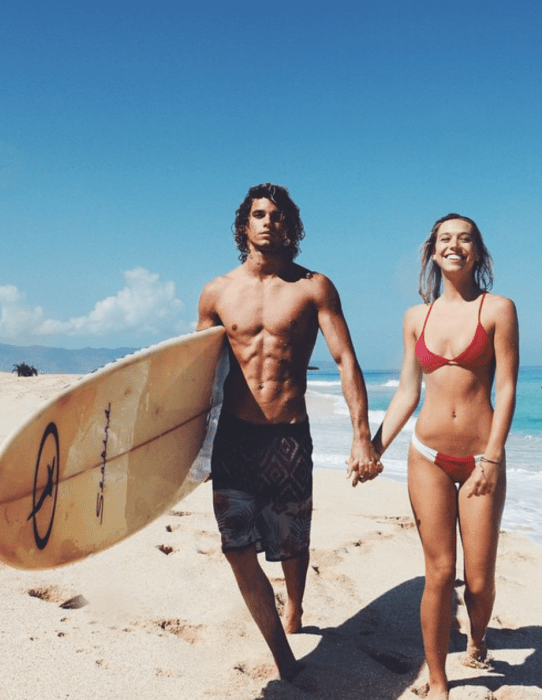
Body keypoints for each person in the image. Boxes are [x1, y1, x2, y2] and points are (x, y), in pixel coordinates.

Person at [197, 183, 383, 680]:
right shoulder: (216, 292)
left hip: (288, 438)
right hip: (234, 439)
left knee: (293, 544)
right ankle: (283, 657)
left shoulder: (313, 287)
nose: (268, 222)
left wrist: (361, 435)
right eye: (258, 214)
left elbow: (345, 361)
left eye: (278, 216)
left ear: (290, 226)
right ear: (244, 225)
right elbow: (193, 374)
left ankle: (295, 606)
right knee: (236, 549)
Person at [371, 213, 519, 699]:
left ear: (477, 251)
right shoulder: (417, 318)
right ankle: (437, 681)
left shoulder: (498, 309)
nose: (454, 246)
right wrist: (374, 446)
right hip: (426, 455)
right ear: (433, 252)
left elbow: (507, 387)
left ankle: (477, 636)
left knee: (478, 581)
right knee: (439, 571)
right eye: (444, 240)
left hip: (480, 460)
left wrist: (493, 457)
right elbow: (407, 393)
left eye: (464, 239)